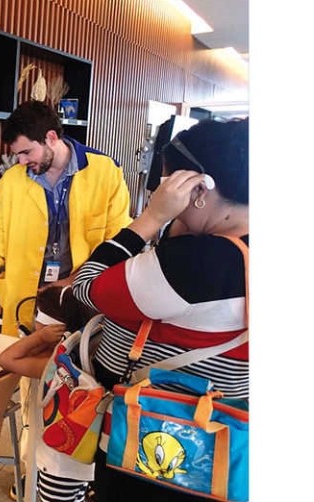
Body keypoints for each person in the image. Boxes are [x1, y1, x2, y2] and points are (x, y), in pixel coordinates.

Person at [70, 118, 249, 502]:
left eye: (166, 183)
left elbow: (86, 287)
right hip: (218, 434)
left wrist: (151, 218)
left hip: (156, 433)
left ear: (197, 187)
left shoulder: (199, 262)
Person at [0, 100, 131, 335]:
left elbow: (117, 248)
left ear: (51, 137)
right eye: (17, 154)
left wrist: (61, 287)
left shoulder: (107, 171)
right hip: (24, 310)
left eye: (26, 152)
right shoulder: (11, 181)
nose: (21, 162)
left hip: (84, 305)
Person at [0, 285, 99, 502]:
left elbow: (6, 359)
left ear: (53, 328)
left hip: (59, 460)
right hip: (83, 452)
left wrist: (39, 338)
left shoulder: (54, 366)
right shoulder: (88, 352)